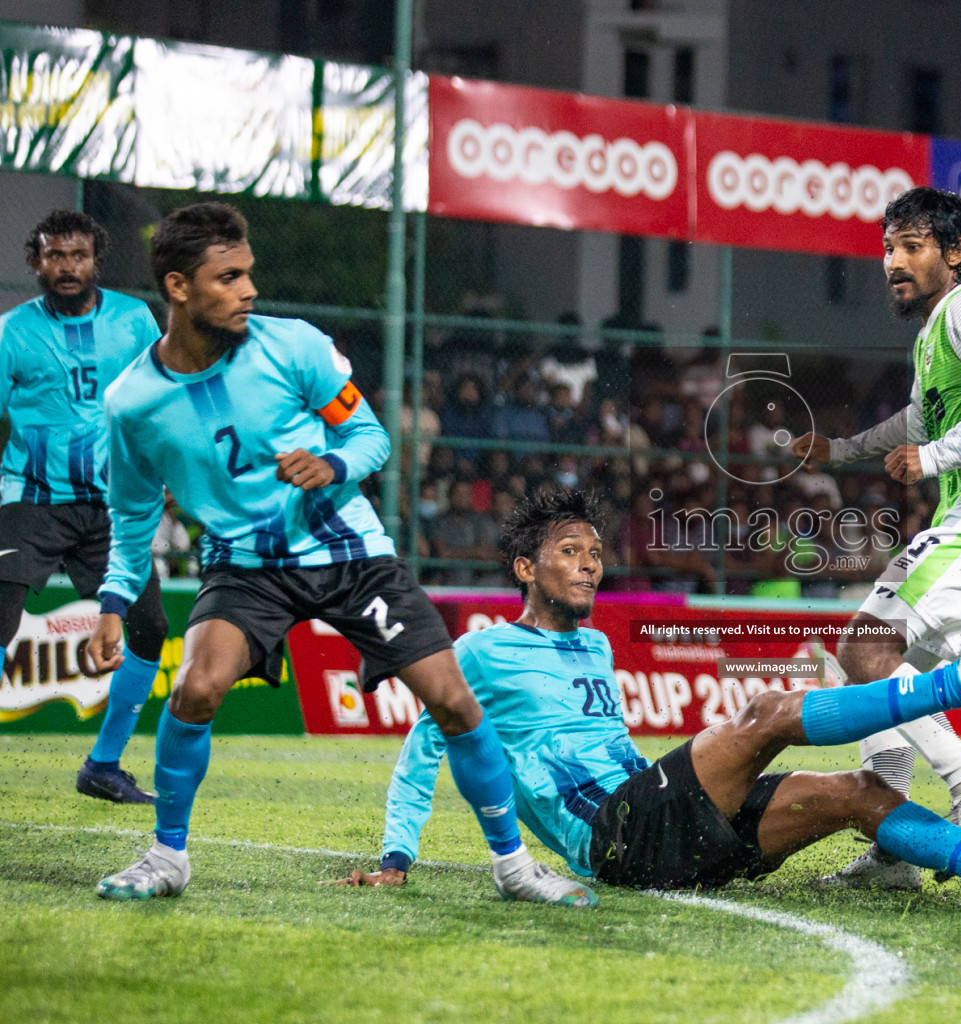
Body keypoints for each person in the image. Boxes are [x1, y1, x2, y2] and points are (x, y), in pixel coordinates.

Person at [83, 202, 591, 909]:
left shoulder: (294, 346)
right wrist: (113, 602)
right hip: (245, 568)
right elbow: (132, 512)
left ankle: (513, 866)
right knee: (195, 688)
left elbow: (372, 438)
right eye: (227, 278)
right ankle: (168, 855)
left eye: (249, 273)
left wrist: (331, 463)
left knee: (453, 702)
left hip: (350, 555)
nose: (248, 290)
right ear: (177, 286)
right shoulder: (131, 402)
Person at [333, 489, 961, 914]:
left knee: (859, 793)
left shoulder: (596, 646)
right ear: (523, 569)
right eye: (568, 553)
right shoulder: (481, 651)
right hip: (615, 837)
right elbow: (421, 751)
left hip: (667, 828)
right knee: (768, 714)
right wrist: (397, 858)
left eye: (596, 553)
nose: (589, 566)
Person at [790, 187, 961, 890]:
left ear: (956, 253)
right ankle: (896, 850)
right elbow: (915, 422)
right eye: (888, 247)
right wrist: (843, 449)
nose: (893, 262)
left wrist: (936, 459)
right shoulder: (934, 332)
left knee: (863, 648)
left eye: (911, 246)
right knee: (873, 674)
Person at [0, 209, 168, 803]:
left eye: (78, 255)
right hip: (30, 499)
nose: (67, 266)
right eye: (54, 255)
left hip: (109, 508)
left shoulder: (133, 321)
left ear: (96, 259)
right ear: (36, 262)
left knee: (150, 626)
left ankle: (103, 766)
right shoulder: (11, 332)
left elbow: (160, 400)